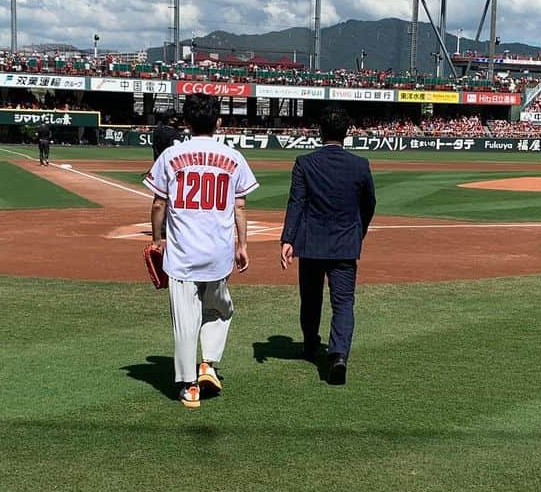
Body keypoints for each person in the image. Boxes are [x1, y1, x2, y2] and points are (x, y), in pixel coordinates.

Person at [145, 93, 258, 408]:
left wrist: (157, 239)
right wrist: (243, 244)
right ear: (219, 122)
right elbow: (240, 204)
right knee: (221, 310)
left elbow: (158, 203)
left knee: (185, 321)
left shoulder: (170, 155)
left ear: (185, 123)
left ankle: (188, 387)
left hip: (181, 254)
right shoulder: (232, 157)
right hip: (218, 255)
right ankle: (208, 362)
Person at [280, 107, 376, 386]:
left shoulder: (305, 162)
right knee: (343, 303)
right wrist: (360, 231)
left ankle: (311, 344)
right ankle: (338, 356)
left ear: (319, 131)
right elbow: (368, 204)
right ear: (346, 133)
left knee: (311, 300)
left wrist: (288, 239)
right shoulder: (360, 164)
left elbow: (296, 203)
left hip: (311, 244)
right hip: (345, 243)